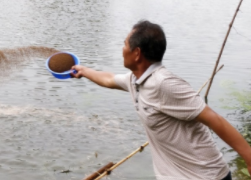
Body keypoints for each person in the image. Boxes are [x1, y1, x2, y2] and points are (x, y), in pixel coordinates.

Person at [71, 20, 251, 180]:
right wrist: (84, 71)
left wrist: (248, 157)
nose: (122, 48)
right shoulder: (135, 80)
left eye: (125, 44)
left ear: (137, 53)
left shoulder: (165, 85)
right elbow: (109, 79)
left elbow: (214, 119)